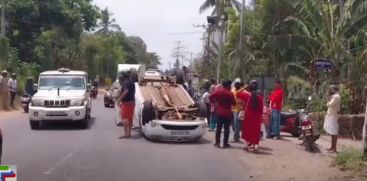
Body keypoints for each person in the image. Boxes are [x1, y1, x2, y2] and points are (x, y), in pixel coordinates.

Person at [238, 80, 263, 152]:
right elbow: (261, 109)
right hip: (257, 116)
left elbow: (238, 94)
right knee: (256, 131)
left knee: (246, 130)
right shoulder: (260, 97)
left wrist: (244, 87)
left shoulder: (247, 95)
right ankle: (256, 147)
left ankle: (246, 146)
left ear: (249, 89)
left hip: (249, 115)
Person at [209, 80, 235, 148]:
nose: (230, 86)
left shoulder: (218, 91)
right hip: (227, 114)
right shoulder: (230, 93)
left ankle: (217, 143)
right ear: (228, 85)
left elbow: (210, 96)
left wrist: (214, 102)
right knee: (226, 129)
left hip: (219, 112)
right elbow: (234, 103)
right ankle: (225, 143)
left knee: (218, 128)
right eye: (230, 85)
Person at [118, 71, 135, 138]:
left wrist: (119, 99)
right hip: (132, 102)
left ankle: (126, 133)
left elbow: (126, 91)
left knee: (124, 118)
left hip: (126, 102)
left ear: (123, 77)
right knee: (130, 118)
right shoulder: (132, 82)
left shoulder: (125, 82)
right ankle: (129, 133)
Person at [323, 85, 341, 153]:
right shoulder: (335, 96)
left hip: (333, 116)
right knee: (332, 132)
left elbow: (330, 104)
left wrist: (327, 99)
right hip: (332, 115)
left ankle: (334, 148)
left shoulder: (336, 97)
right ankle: (332, 147)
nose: (329, 91)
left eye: (330, 89)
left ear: (334, 90)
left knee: (334, 132)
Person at [231, 78, 247, 143]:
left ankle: (236, 138)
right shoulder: (232, 90)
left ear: (240, 84)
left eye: (238, 83)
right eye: (236, 83)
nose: (236, 84)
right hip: (232, 109)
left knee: (237, 124)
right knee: (233, 125)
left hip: (239, 110)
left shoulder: (244, 91)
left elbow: (245, 101)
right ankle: (237, 136)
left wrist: (242, 102)